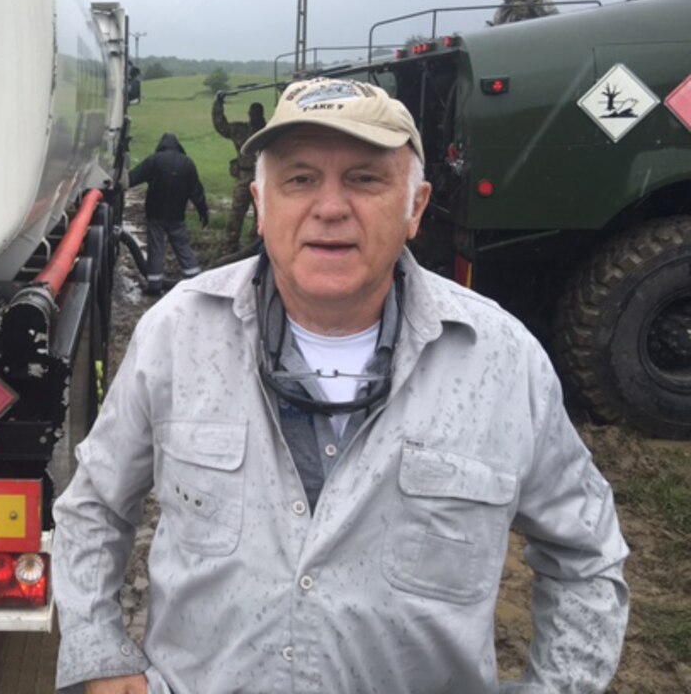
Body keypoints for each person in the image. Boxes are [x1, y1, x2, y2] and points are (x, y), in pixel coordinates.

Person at [53, 76, 629, 694]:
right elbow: (94, 508)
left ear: (416, 207)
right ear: (261, 201)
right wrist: (99, 651)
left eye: (365, 178)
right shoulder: (176, 335)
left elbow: (587, 555)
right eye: (300, 179)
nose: (329, 207)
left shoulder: (502, 362)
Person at [127, 133, 209, 296]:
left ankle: (154, 285)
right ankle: (194, 280)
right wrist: (203, 211)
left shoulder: (154, 160)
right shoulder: (188, 163)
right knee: (182, 246)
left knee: (156, 248)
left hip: (155, 214)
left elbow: (132, 179)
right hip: (177, 215)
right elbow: (197, 191)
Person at [212, 92, 266, 253]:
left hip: (262, 176)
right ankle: (231, 247)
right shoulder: (241, 130)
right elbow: (221, 125)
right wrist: (218, 104)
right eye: (252, 113)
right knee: (237, 214)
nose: (253, 116)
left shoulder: (269, 131)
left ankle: (255, 246)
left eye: (255, 114)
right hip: (245, 175)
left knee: (261, 215)